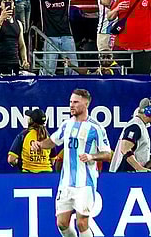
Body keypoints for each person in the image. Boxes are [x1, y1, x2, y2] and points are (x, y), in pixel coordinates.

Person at [30, 89, 112, 237]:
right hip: (66, 183)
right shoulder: (66, 125)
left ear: (86, 104)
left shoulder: (95, 128)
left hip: (85, 183)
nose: (71, 105)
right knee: (62, 223)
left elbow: (108, 154)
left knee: (82, 223)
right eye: (70, 102)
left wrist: (91, 156)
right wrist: (40, 145)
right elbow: (53, 141)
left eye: (76, 102)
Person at [110, 98, 151, 172]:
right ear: (148, 111)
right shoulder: (135, 126)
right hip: (125, 173)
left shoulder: (142, 125)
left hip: (133, 174)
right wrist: (139, 168)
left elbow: (139, 150)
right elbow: (125, 149)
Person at [8, 108, 53, 173]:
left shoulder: (23, 135)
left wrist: (17, 163)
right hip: (47, 174)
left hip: (28, 175)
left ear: (31, 120)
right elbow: (53, 160)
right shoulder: (48, 136)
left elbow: (11, 159)